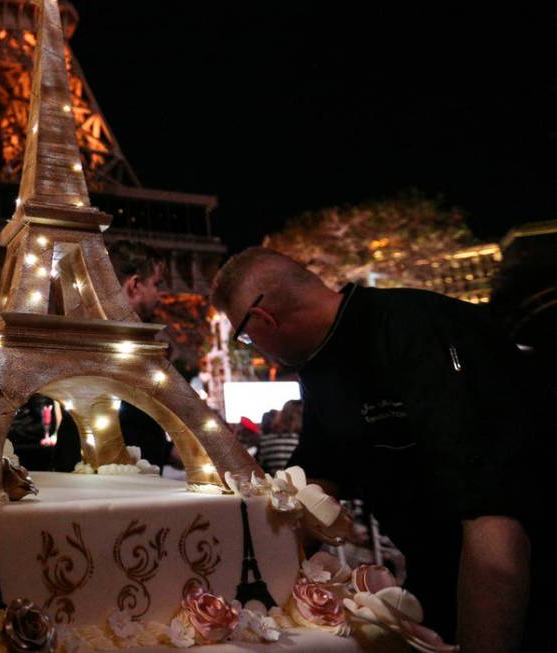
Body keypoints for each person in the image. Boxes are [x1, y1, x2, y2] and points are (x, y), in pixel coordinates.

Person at [210, 246, 548, 653]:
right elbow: (314, 483)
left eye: (244, 336)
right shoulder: (323, 369)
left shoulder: (419, 329)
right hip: (433, 579)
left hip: (521, 587)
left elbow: (496, 531)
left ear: (264, 318)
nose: (250, 346)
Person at [52, 240, 173, 472]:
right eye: (156, 284)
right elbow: (135, 421)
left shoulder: (88, 335)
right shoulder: (127, 347)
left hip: (86, 467)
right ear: (135, 285)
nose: (160, 294)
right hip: (120, 476)